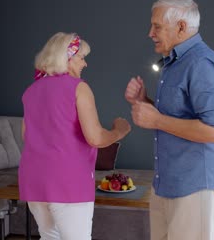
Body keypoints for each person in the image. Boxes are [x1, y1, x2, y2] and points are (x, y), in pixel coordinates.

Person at [125, 0, 214, 240]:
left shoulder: (202, 63)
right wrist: (145, 101)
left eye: (157, 26)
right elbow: (175, 116)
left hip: (194, 186)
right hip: (166, 184)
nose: (150, 33)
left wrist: (156, 120)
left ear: (181, 27)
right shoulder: (174, 63)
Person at [19, 32, 131, 240]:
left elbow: (27, 137)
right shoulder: (78, 88)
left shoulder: (31, 90)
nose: (85, 64)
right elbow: (96, 138)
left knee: (49, 237)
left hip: (34, 180)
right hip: (67, 181)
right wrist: (120, 130)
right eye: (81, 57)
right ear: (67, 59)